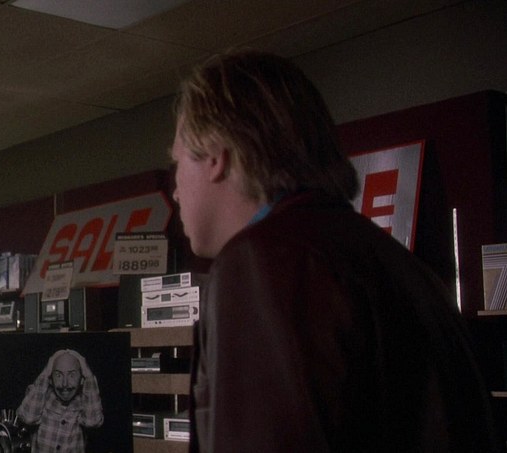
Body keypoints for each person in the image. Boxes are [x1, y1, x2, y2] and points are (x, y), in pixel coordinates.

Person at [170, 48, 504, 452]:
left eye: (177, 163)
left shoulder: (265, 262)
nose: (176, 191)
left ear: (214, 157)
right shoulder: (404, 268)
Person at [17, 349, 103, 453]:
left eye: (72, 375)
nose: (64, 384)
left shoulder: (85, 401)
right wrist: (45, 373)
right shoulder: (40, 395)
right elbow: (28, 417)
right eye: (58, 375)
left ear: (81, 379)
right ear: (50, 379)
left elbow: (92, 422)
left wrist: (89, 377)